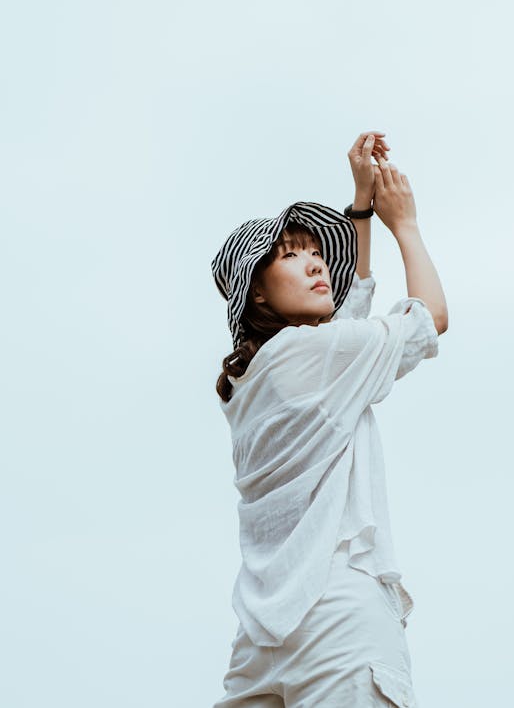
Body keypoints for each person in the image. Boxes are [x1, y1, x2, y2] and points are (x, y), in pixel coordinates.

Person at [210, 132, 449, 708]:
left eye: (317, 253)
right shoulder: (312, 356)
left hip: (262, 635)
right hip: (339, 615)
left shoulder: (250, 379)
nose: (316, 262)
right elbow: (430, 318)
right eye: (290, 255)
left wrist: (360, 208)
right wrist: (405, 226)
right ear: (258, 295)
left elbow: (347, 311)